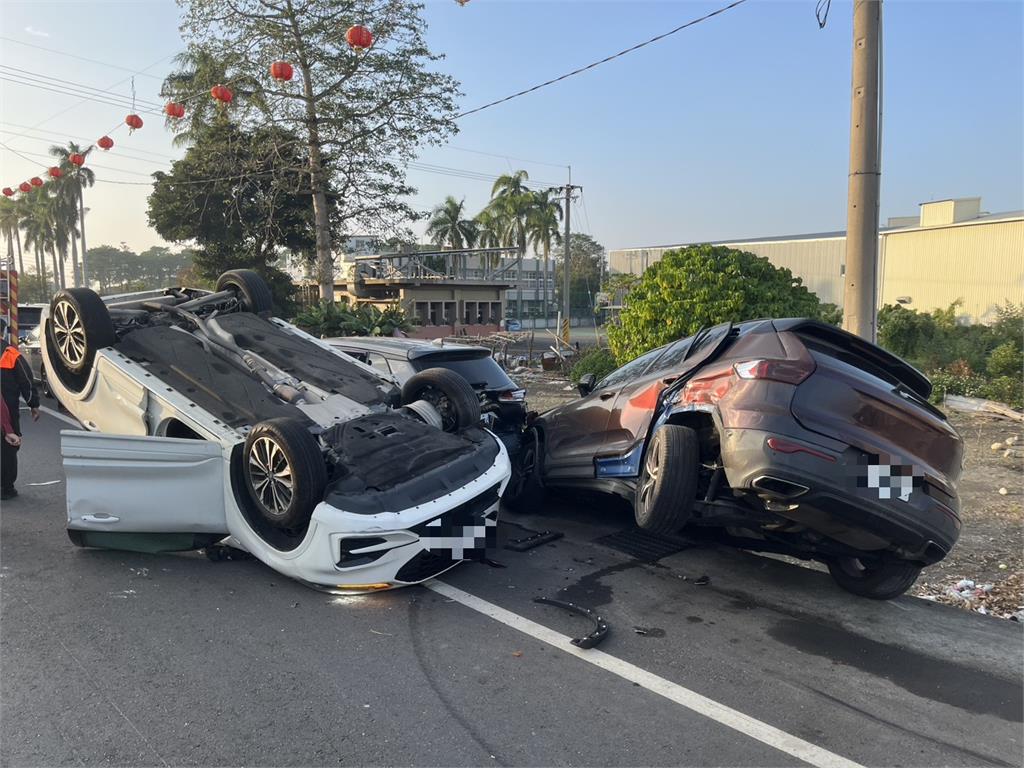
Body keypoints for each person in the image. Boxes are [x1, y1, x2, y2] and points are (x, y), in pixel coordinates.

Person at [1, 336, 39, 500]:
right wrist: (33, 404)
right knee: (8, 448)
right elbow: (26, 381)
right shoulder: (10, 353)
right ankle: (6, 488)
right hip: (7, 410)